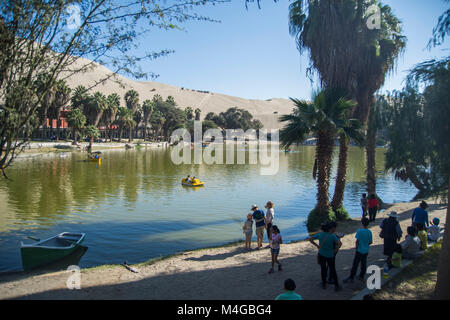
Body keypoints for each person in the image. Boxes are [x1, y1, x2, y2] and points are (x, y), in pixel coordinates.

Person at [309, 222, 342, 291]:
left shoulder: (320, 234)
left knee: (323, 269)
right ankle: (336, 285)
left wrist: (317, 245)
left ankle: (324, 284)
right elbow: (339, 244)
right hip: (330, 255)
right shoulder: (332, 236)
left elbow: (310, 239)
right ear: (330, 228)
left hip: (321, 254)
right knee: (333, 270)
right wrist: (335, 250)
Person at [344, 217, 373, 283]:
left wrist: (356, 247)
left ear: (362, 223)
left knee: (355, 264)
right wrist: (366, 244)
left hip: (359, 250)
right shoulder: (369, 232)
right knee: (363, 263)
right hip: (366, 250)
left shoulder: (359, 231)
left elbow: (357, 241)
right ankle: (361, 276)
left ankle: (352, 277)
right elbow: (370, 242)